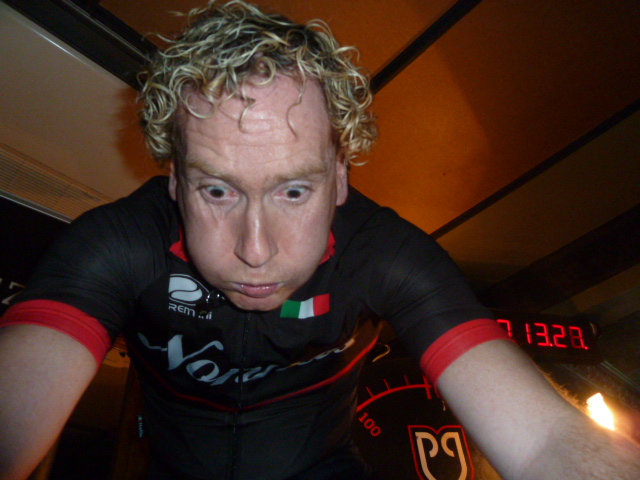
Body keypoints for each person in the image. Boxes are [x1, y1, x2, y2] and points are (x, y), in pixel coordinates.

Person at [0, 1, 639, 479]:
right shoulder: (115, 243)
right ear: (174, 180)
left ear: (339, 177)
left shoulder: (387, 254)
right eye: (217, 190)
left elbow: (543, 442)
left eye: (293, 191)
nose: (255, 251)